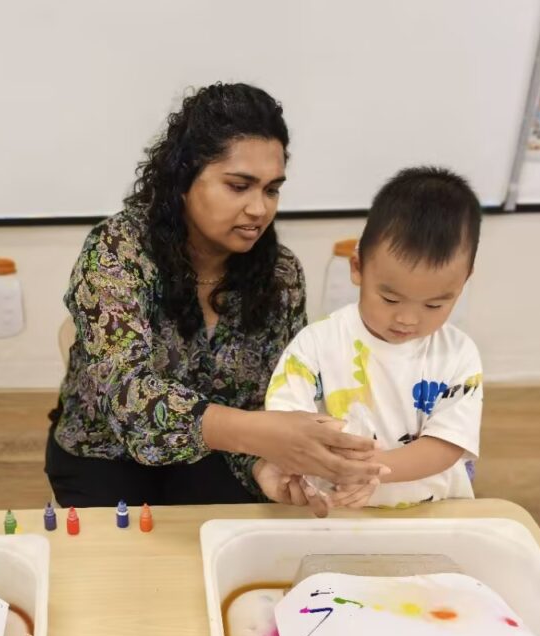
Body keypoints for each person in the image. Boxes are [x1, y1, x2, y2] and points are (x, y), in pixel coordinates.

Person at [45, 83, 385, 509]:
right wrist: (262, 435)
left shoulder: (280, 274)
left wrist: (262, 465)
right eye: (239, 186)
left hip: (219, 457)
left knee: (237, 541)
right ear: (184, 179)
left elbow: (267, 399)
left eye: (271, 189)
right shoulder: (117, 249)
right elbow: (124, 399)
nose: (259, 209)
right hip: (103, 452)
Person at [264, 166, 483, 508]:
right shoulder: (316, 344)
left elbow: (447, 445)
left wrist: (370, 470)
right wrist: (319, 463)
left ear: (464, 282)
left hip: (431, 513)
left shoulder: (458, 355)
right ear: (358, 267)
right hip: (334, 511)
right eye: (390, 299)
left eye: (434, 305)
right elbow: (287, 425)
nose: (407, 319)